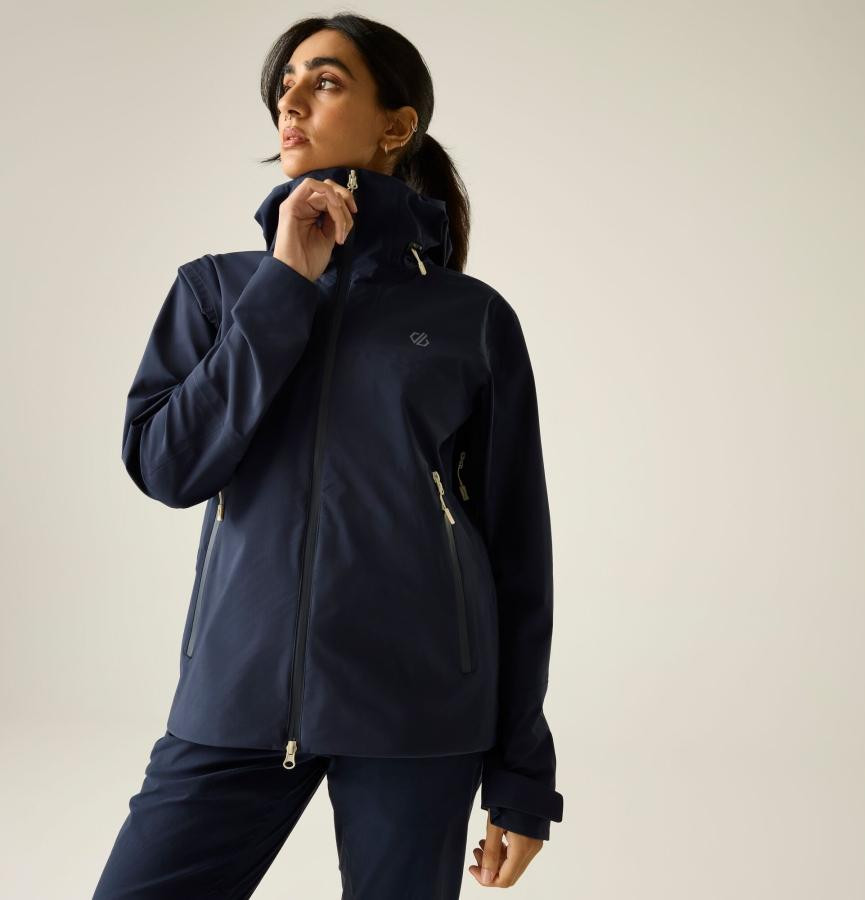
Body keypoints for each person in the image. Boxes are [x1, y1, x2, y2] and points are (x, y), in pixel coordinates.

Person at [93, 12, 563, 899]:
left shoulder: (470, 318)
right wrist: (284, 284)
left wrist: (522, 773)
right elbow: (168, 466)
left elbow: (517, 550)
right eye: (285, 88)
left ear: (396, 124)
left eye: (326, 82)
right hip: (235, 697)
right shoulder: (217, 291)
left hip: (419, 711)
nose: (292, 104)